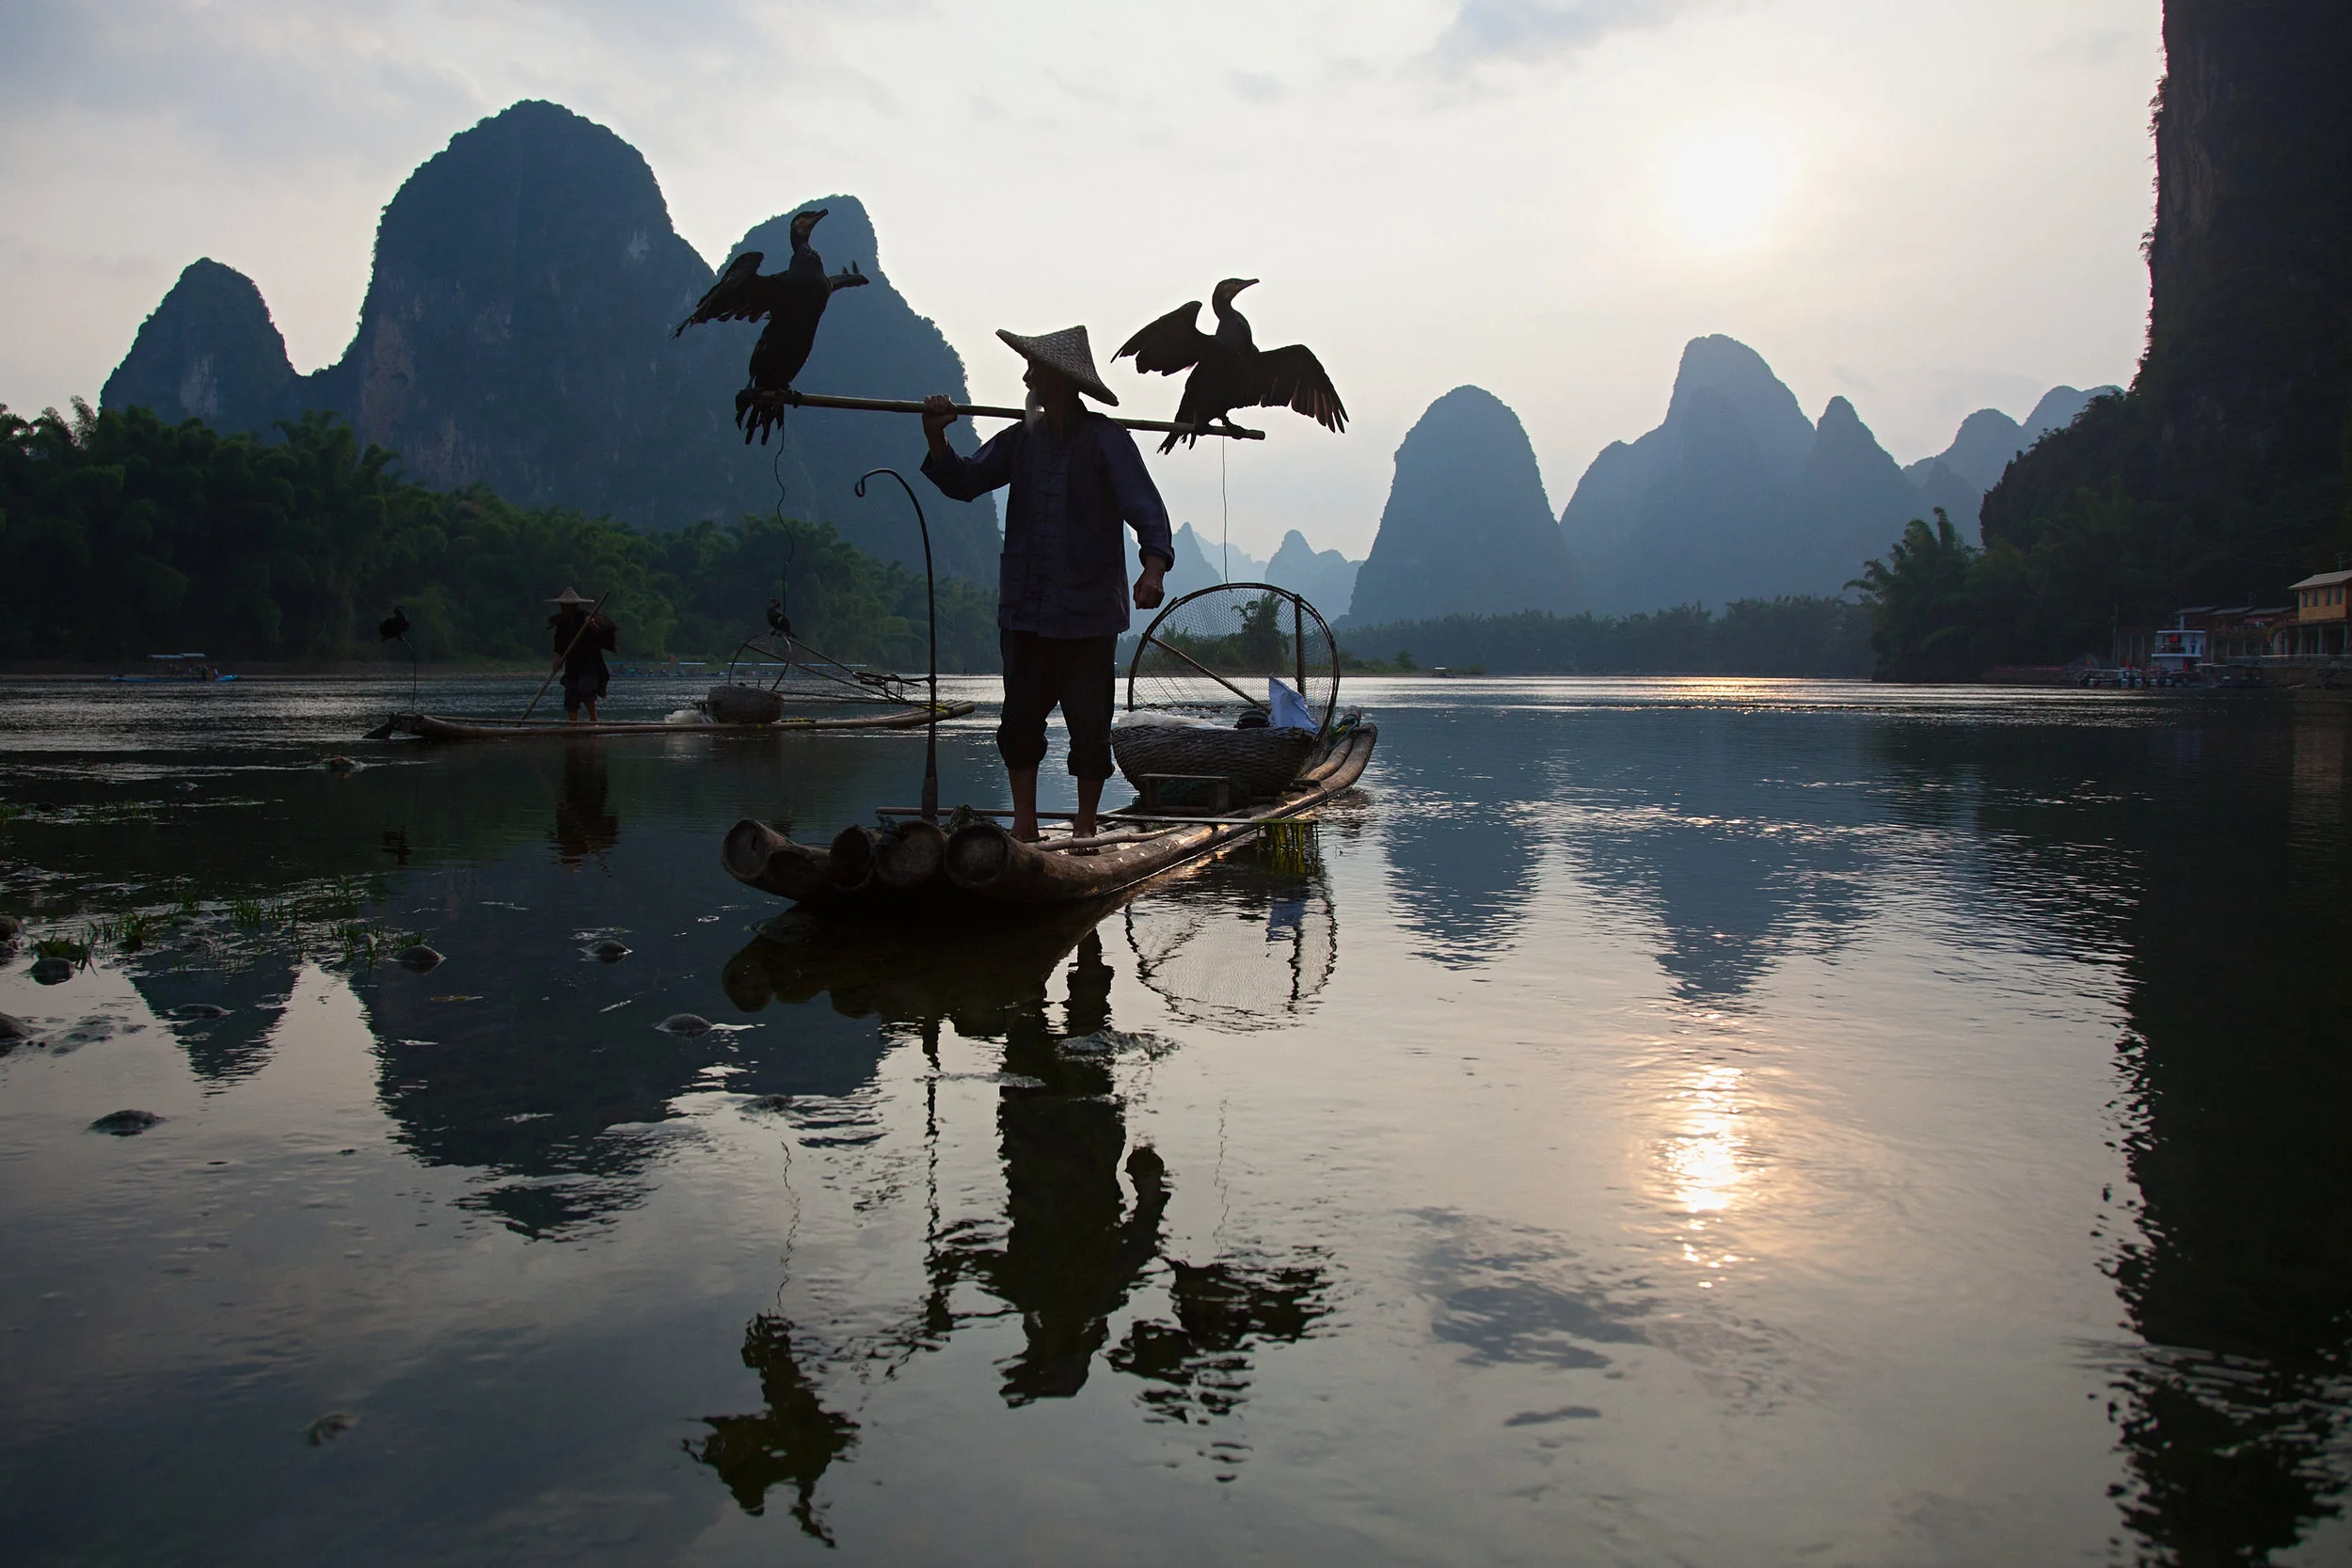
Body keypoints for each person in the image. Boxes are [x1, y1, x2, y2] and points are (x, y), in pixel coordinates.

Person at [921, 327, 1174, 842]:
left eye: (1034, 369)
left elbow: (1145, 509)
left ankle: (1084, 829)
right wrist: (936, 436)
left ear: (1058, 381)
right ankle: (1025, 827)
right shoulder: (1023, 441)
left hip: (1086, 618)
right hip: (1026, 613)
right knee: (1019, 724)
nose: (1026, 376)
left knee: (1089, 728)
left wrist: (1153, 569)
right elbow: (965, 481)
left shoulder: (1107, 441)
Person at [548, 588, 617, 723]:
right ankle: (573, 724)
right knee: (570, 694)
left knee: (587, 689)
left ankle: (593, 721)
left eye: (567, 606)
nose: (564, 609)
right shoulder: (561, 623)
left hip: (590, 662)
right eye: (563, 606)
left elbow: (601, 634)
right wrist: (558, 660)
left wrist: (591, 626)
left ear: (574, 606)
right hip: (572, 663)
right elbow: (559, 645)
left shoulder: (586, 618)